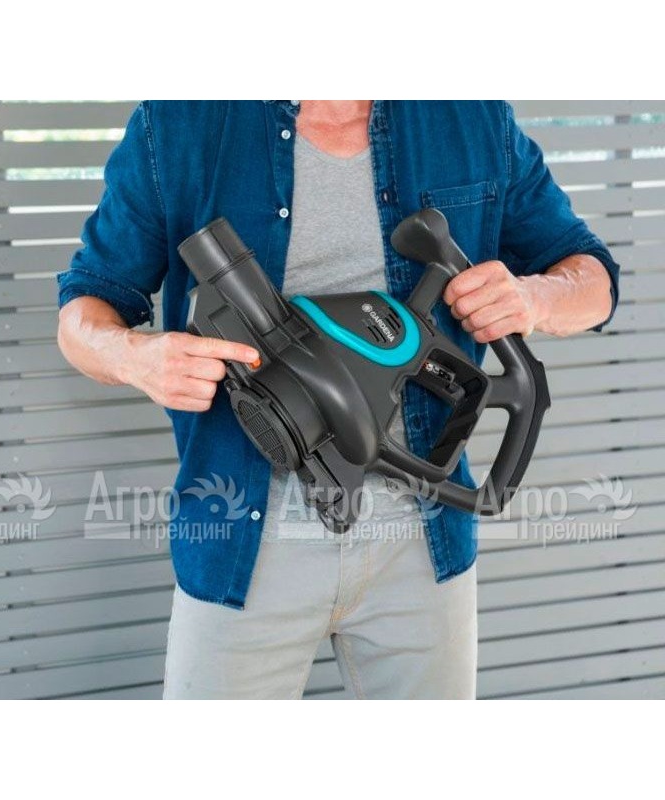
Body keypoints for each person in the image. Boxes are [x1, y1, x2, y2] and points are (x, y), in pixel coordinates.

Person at [57, 101, 620, 699]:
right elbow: (84, 308)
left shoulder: (471, 118)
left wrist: (534, 298)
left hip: (423, 546)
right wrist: (135, 357)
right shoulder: (179, 123)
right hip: (243, 545)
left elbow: (596, 279)